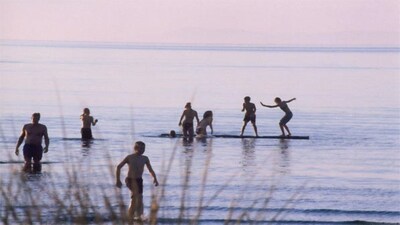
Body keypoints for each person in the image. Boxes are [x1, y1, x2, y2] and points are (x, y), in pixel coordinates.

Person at [116, 141, 159, 221]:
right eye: (140, 148)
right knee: (136, 196)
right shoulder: (129, 157)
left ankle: (138, 216)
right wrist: (118, 180)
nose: (142, 150)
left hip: (139, 181)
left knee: (139, 198)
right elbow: (118, 167)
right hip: (130, 180)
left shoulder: (145, 158)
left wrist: (155, 179)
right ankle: (130, 216)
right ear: (135, 148)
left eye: (144, 148)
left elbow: (150, 170)